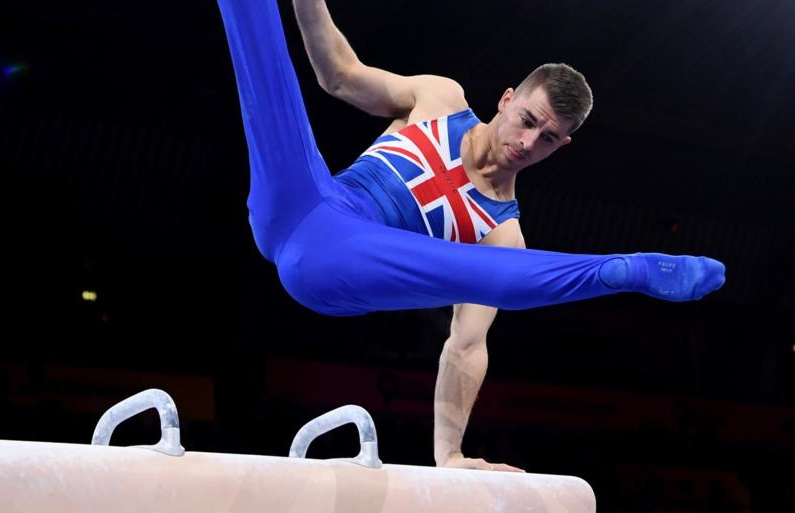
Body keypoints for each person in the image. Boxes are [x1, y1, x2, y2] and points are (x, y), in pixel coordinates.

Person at [216, 0, 724, 466]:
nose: (527, 143)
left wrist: (450, 454)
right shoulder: (441, 97)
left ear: (561, 146)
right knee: (264, 73)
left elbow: (466, 344)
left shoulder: (500, 230)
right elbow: (341, 76)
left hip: (336, 267)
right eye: (527, 120)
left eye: (547, 139)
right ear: (506, 100)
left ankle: (621, 270)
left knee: (497, 272)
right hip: (296, 204)